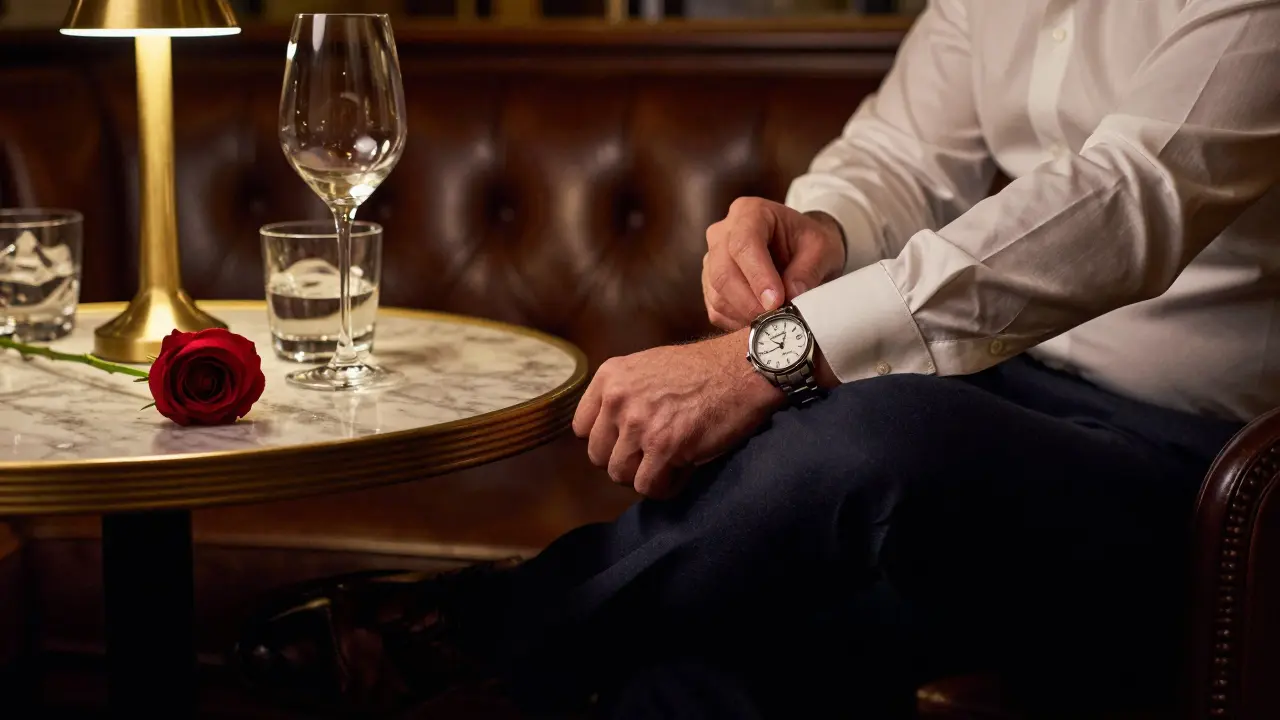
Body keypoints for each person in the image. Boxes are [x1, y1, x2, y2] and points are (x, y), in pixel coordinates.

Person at [234, 1, 1280, 717]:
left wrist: (763, 359)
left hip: (1206, 472)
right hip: (1002, 399)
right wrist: (813, 223)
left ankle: (489, 627)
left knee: (871, 431)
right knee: (746, 628)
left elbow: (1121, 203)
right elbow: (901, 156)